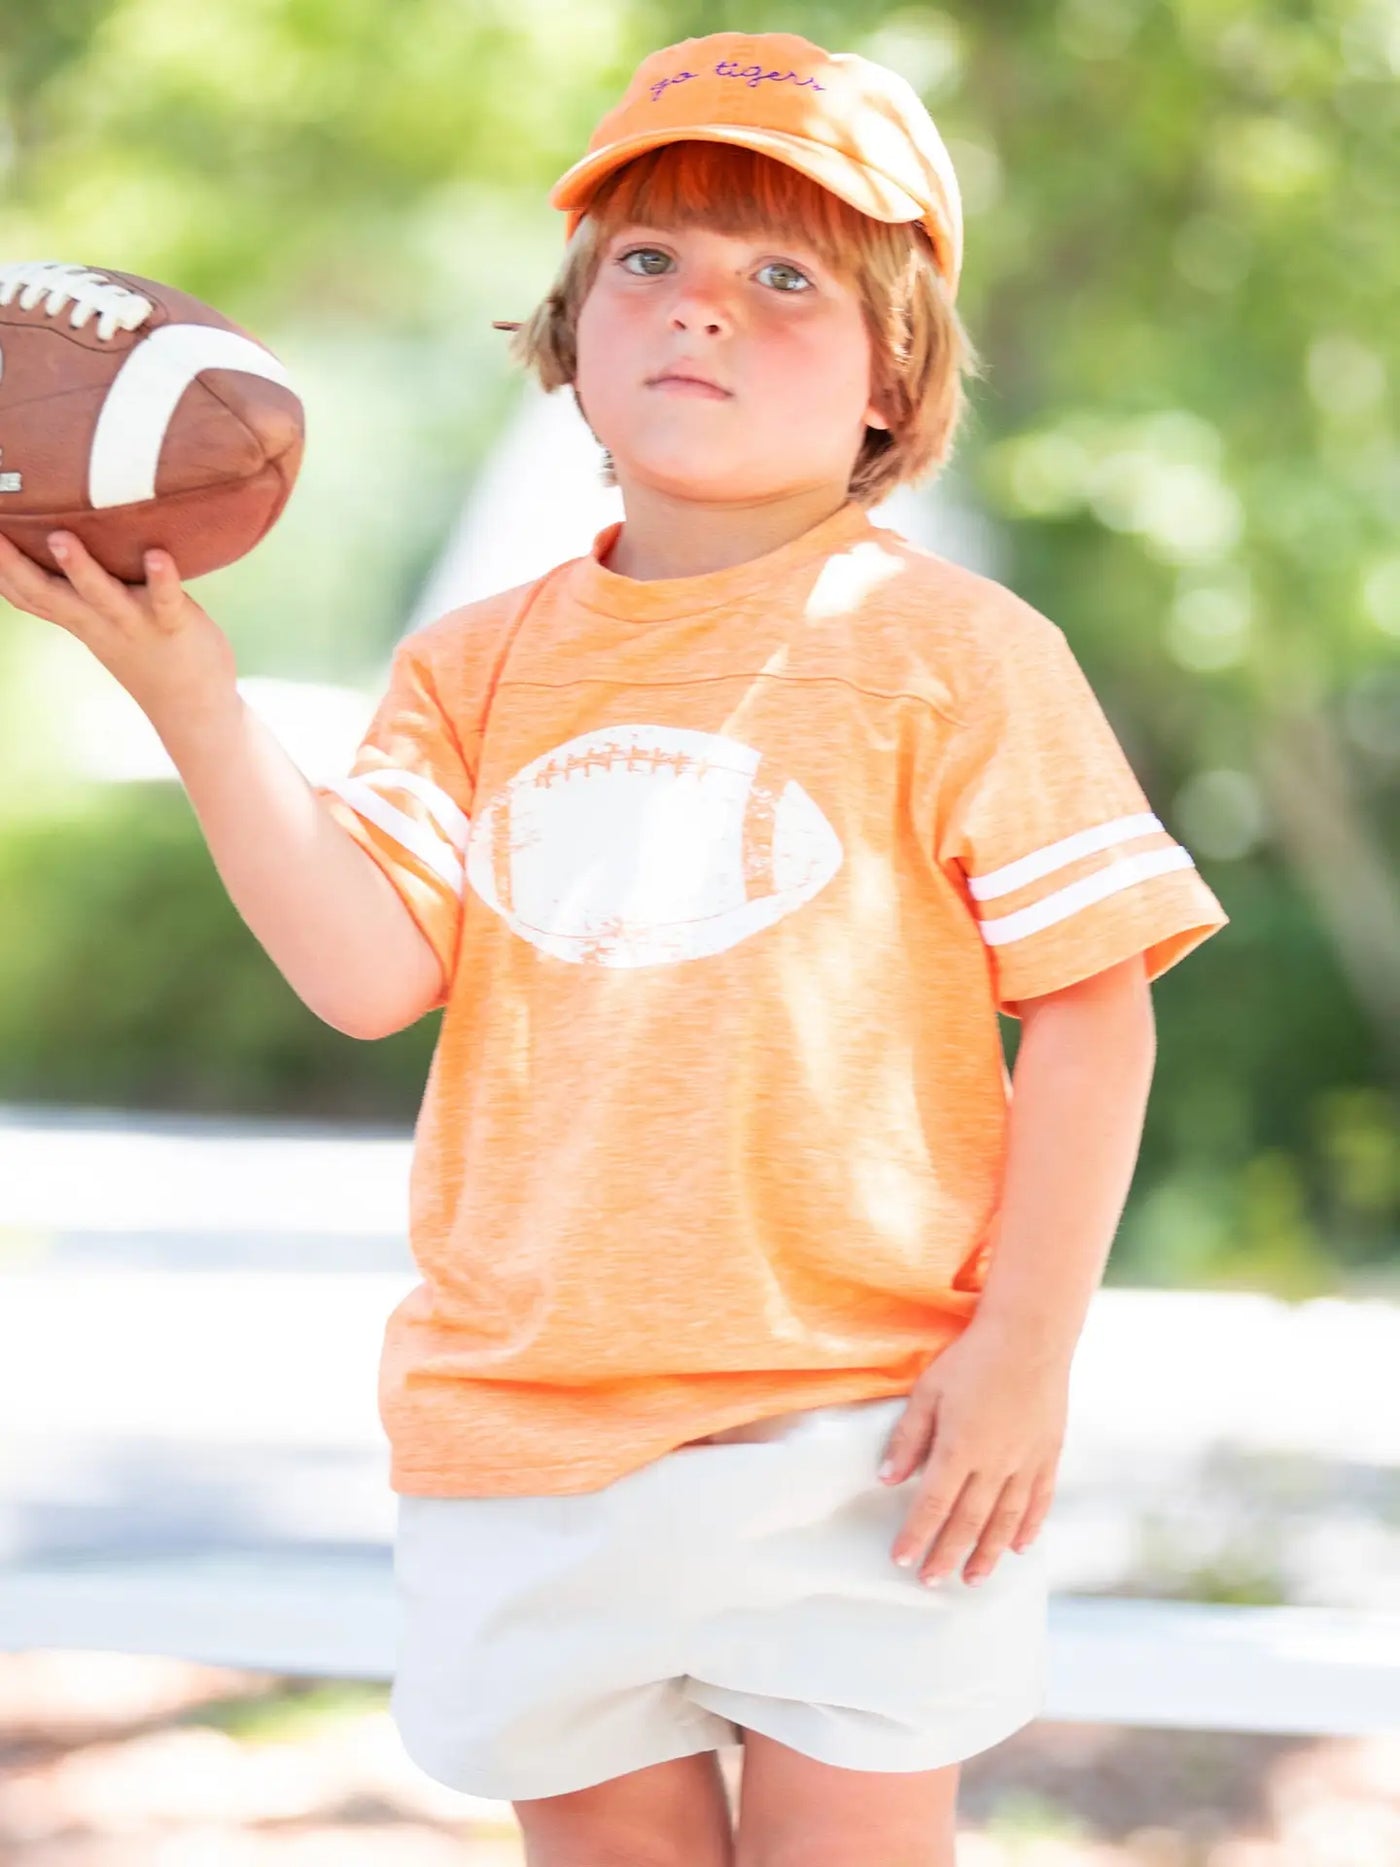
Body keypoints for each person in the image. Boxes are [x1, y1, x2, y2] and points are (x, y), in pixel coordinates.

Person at [0, 28, 1229, 1867]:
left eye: (785, 275)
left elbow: (1096, 1020)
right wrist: (192, 697)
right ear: (572, 336)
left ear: (898, 380)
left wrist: (1025, 1357)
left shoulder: (957, 653)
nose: (702, 310)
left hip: (868, 1426)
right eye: (649, 261)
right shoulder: (475, 663)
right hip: (528, 1433)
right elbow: (364, 972)